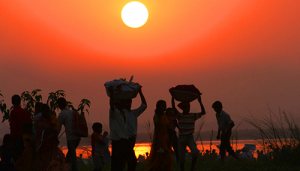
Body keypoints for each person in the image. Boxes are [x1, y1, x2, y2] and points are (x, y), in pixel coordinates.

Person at [172, 96, 206, 171]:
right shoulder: (179, 115)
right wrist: (173, 97)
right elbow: (173, 107)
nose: (188, 109)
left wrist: (200, 101)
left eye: (188, 108)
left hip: (190, 137)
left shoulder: (192, 115)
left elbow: (203, 112)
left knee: (195, 152)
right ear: (183, 109)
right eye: (186, 108)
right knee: (181, 157)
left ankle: (192, 169)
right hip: (182, 138)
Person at [36, 104, 70, 171]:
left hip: (52, 145)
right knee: (45, 162)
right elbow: (41, 133)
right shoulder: (40, 121)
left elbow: (55, 129)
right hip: (44, 146)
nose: (47, 113)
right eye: (45, 111)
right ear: (42, 111)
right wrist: (51, 130)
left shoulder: (50, 119)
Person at [121, 87, 147, 171]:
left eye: (128, 102)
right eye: (125, 103)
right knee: (130, 161)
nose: (127, 104)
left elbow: (144, 105)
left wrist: (140, 92)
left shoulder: (133, 113)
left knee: (130, 162)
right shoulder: (119, 113)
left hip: (132, 140)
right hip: (125, 140)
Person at [108, 87, 130, 171]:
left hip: (125, 140)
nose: (124, 104)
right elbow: (111, 105)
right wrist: (111, 94)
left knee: (123, 161)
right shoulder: (114, 113)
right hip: (117, 141)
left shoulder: (124, 113)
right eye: (122, 103)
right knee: (116, 162)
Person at [147, 100, 173, 171]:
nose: (165, 107)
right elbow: (157, 129)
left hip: (166, 138)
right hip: (160, 138)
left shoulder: (165, 115)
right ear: (158, 107)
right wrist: (158, 142)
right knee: (160, 157)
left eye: (165, 105)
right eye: (163, 106)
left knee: (167, 156)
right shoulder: (156, 116)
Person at [57, 97, 81, 171]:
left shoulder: (62, 115)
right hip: (78, 137)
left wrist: (55, 137)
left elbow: (58, 128)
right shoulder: (72, 112)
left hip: (70, 138)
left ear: (58, 106)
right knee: (69, 156)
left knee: (73, 157)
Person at [9, 95, 32, 162]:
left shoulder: (14, 112)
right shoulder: (25, 112)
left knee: (19, 162)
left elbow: (13, 128)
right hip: (27, 139)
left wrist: (11, 142)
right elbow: (30, 124)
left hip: (18, 140)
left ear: (12, 102)